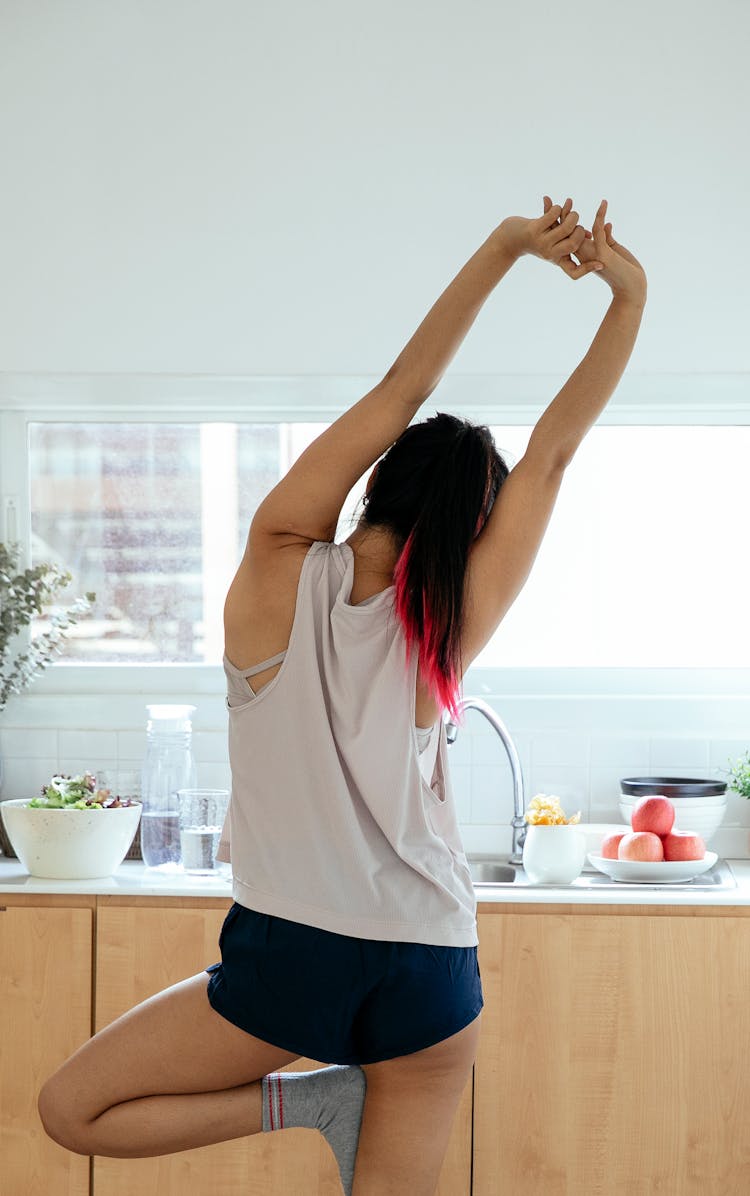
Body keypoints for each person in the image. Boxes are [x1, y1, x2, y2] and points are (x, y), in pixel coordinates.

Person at [37, 196, 646, 1196]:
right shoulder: (448, 618)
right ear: (471, 524)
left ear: (375, 484)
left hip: (292, 955)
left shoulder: (275, 565)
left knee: (74, 1109)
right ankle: (326, 1098)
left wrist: (502, 246)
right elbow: (554, 452)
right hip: (432, 968)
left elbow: (403, 387)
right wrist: (630, 293)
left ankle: (306, 1099)